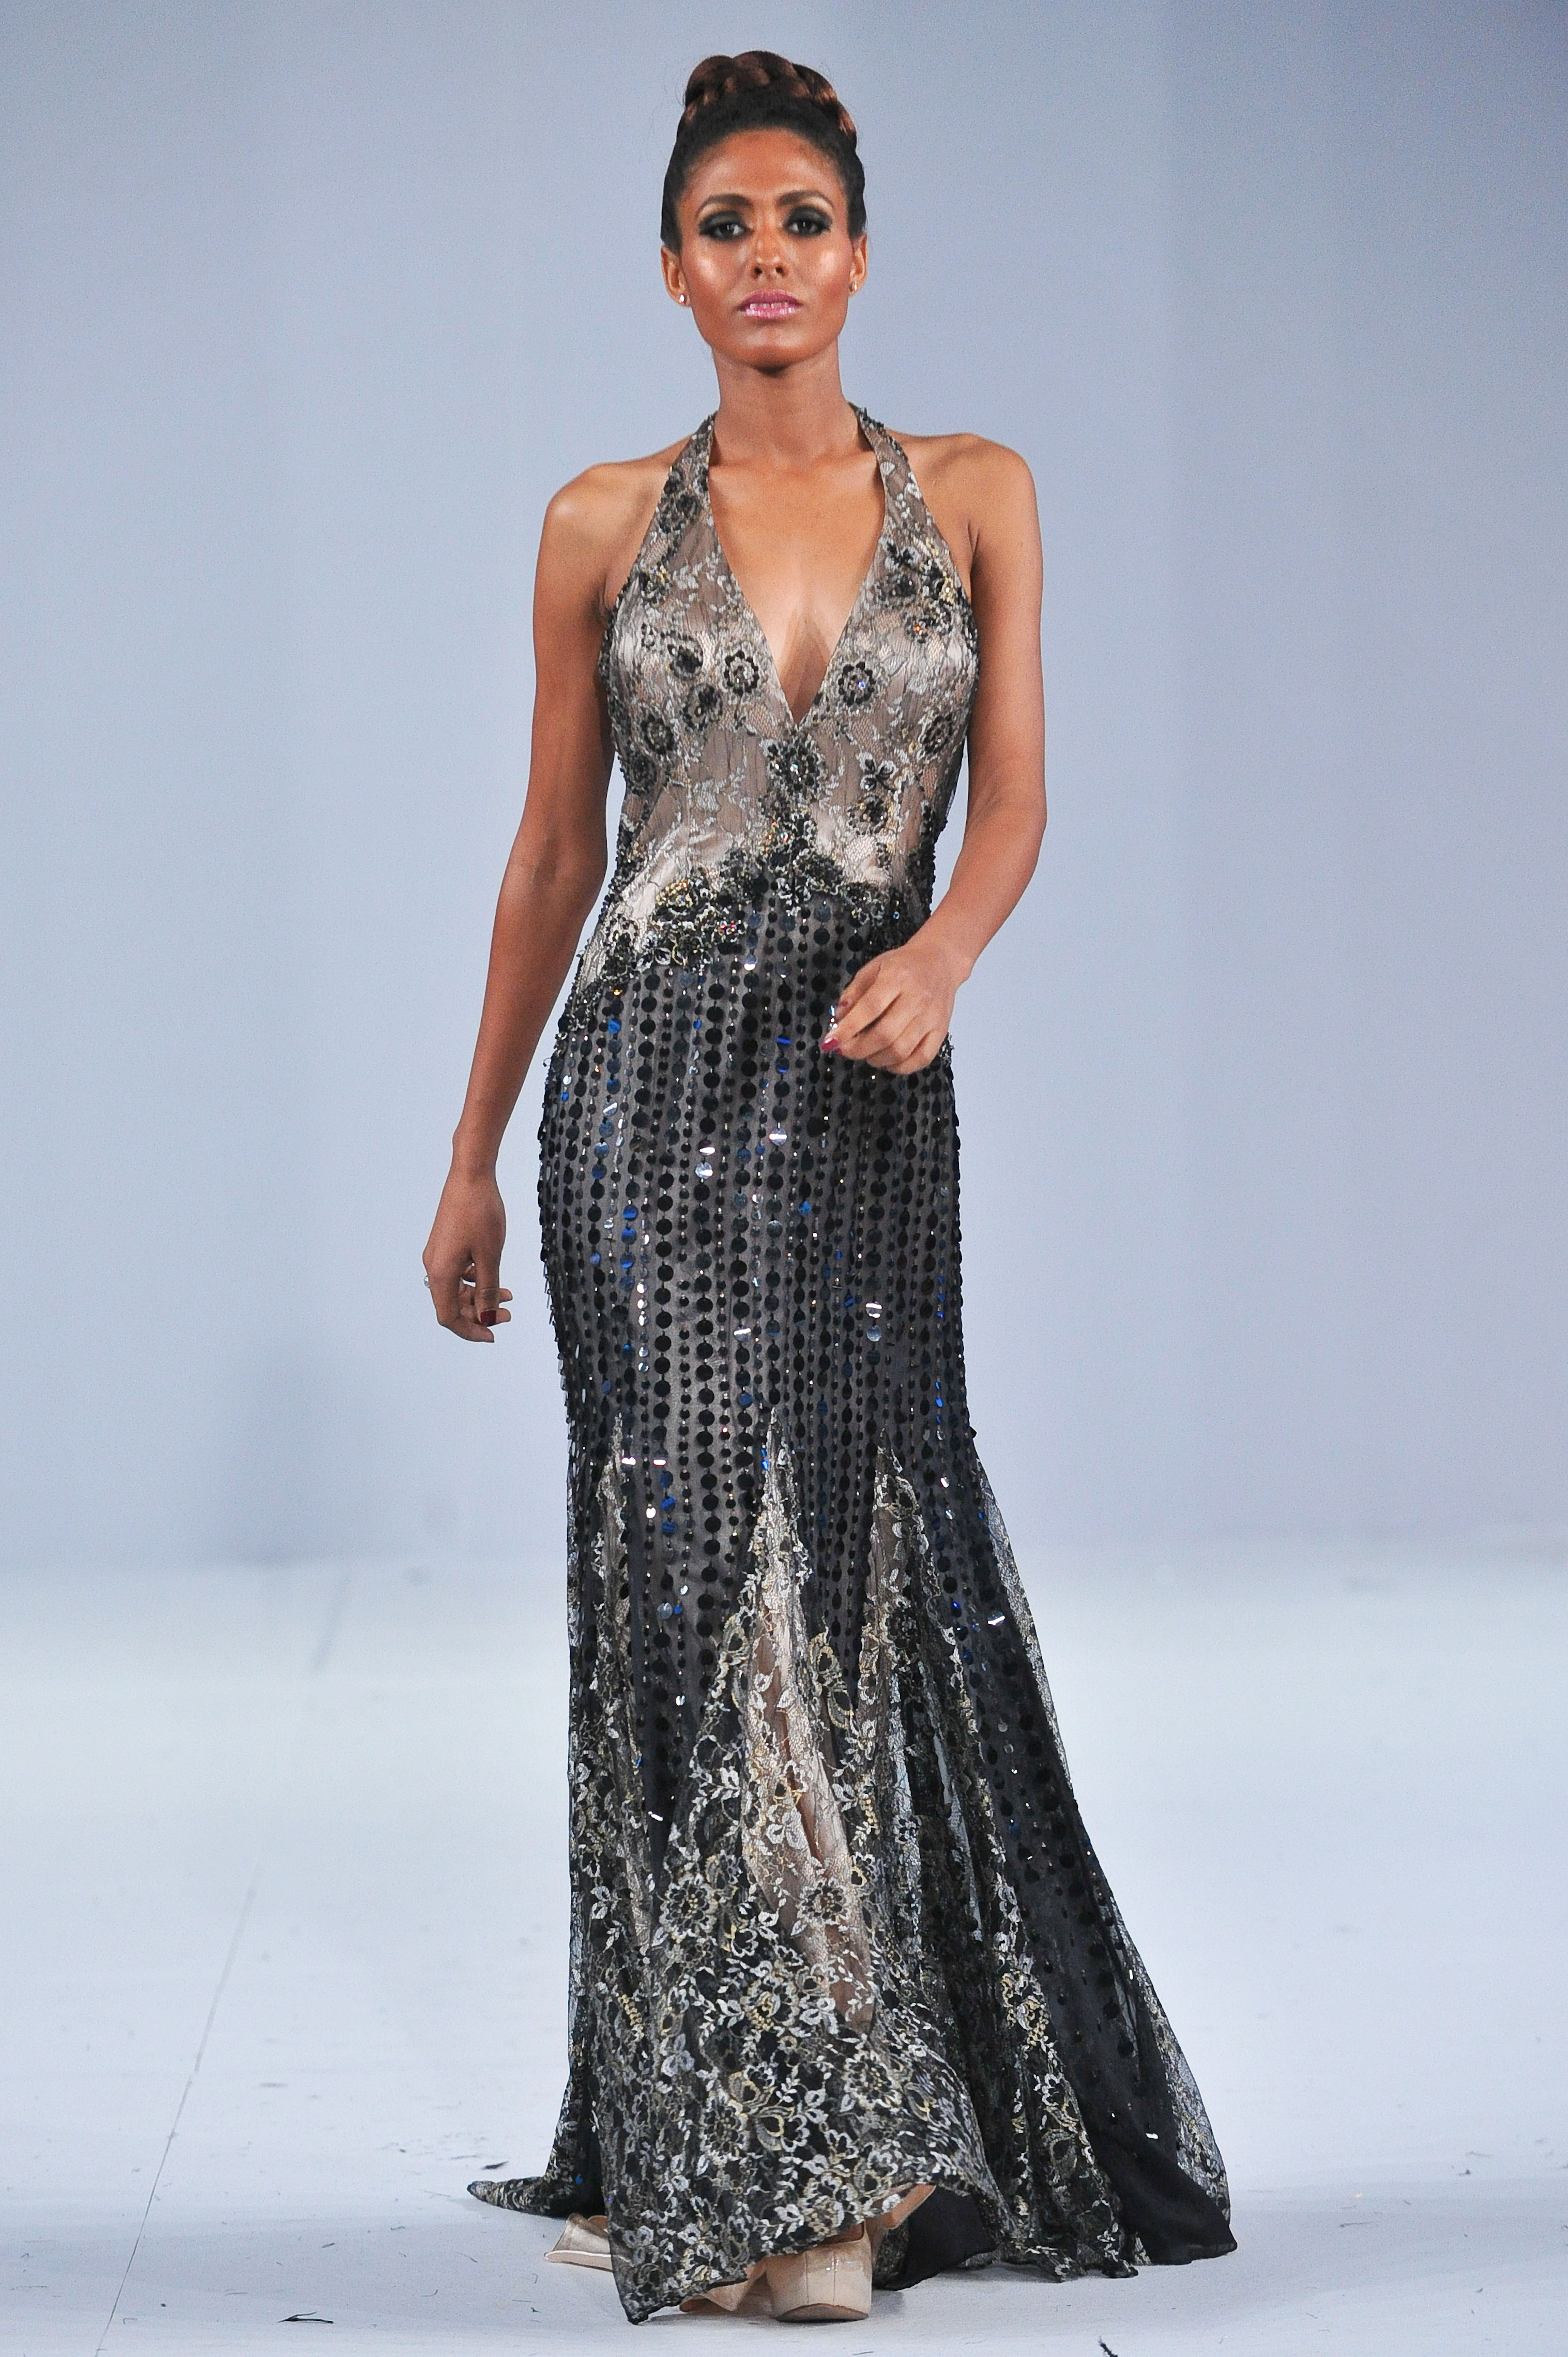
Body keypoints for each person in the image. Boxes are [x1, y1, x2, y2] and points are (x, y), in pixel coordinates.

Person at [422, 48, 1236, 2328]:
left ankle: (819, 2125)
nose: (764, 255)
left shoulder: (976, 491)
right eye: (725, 226)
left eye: (799, 219)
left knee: (867, 1575)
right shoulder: (600, 520)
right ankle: (787, 2168)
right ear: (672, 272)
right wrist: (471, 1156)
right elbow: (551, 858)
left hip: (867, 1098)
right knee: (693, 1583)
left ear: (857, 256)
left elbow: (1017, 799)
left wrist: (948, 955)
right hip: (642, 1091)